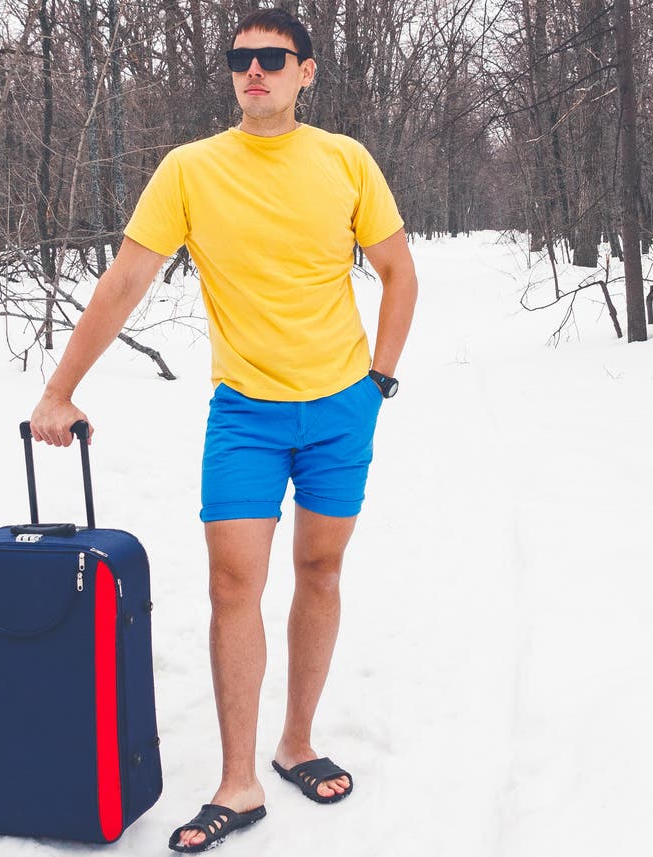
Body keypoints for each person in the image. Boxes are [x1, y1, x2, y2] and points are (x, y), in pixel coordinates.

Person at [25, 7, 417, 852]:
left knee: (320, 568)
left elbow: (397, 272)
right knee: (232, 585)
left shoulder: (346, 160)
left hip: (342, 410)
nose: (255, 72)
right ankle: (238, 783)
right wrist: (59, 389)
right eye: (241, 60)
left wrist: (377, 380)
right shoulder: (190, 169)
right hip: (245, 413)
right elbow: (126, 280)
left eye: (274, 59)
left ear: (306, 71)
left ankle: (297, 743)